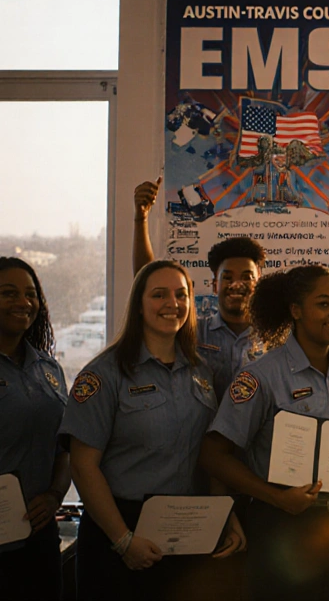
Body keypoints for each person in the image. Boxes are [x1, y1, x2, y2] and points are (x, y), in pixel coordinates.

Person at [60, 260, 245, 601]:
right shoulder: (104, 375)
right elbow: (83, 467)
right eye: (159, 294)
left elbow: (209, 456)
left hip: (186, 529)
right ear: (139, 306)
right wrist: (123, 540)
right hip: (117, 530)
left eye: (181, 294)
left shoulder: (201, 372)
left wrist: (227, 514)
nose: (172, 304)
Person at [200, 264, 329, 601]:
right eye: (324, 304)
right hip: (283, 527)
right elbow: (213, 455)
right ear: (296, 311)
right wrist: (276, 497)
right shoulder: (260, 377)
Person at [133, 178, 269, 391]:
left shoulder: (274, 336)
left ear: (258, 284)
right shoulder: (194, 333)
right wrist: (141, 219)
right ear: (214, 285)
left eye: (246, 277)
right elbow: (148, 281)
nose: (236, 284)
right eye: (227, 277)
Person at [0, 257, 71, 601]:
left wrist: (55, 494)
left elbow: (66, 447)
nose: (23, 303)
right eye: (8, 293)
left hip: (39, 535)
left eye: (30, 294)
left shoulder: (50, 368)